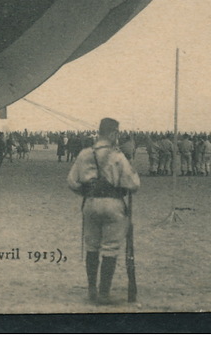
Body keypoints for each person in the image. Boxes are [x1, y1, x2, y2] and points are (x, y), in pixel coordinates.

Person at [67, 118, 140, 305]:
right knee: (110, 248)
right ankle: (104, 293)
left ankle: (92, 289)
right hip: (113, 204)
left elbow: (71, 181)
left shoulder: (85, 154)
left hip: (90, 203)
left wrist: (85, 191)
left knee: (92, 247)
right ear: (114, 134)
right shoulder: (118, 156)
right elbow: (133, 185)